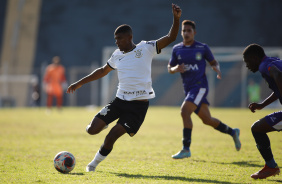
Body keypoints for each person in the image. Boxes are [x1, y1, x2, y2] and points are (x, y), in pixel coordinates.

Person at [66, 4, 182, 172]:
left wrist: (176, 19)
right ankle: (101, 124)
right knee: (92, 130)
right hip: (119, 101)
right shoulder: (117, 55)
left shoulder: (146, 48)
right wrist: (79, 82)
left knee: (111, 136)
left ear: (129, 37)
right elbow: (103, 71)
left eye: (119, 39)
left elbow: (170, 37)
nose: (117, 42)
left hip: (137, 107)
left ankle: (93, 165)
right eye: (115, 40)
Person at [167, 20, 241, 159]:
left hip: (200, 87)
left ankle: (186, 148)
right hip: (188, 89)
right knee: (207, 120)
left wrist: (217, 68)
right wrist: (175, 69)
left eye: (189, 30)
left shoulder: (202, 47)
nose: (186, 33)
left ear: (194, 32)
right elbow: (169, 68)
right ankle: (233, 132)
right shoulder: (177, 49)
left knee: (184, 111)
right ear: (181, 32)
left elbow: (213, 62)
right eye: (184, 31)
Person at [243, 43, 281, 179]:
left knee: (257, 129)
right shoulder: (273, 61)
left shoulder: (264, 65)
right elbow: (278, 87)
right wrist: (261, 105)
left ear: (254, 58)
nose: (247, 66)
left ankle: (271, 167)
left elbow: (277, 74)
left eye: (247, 62)